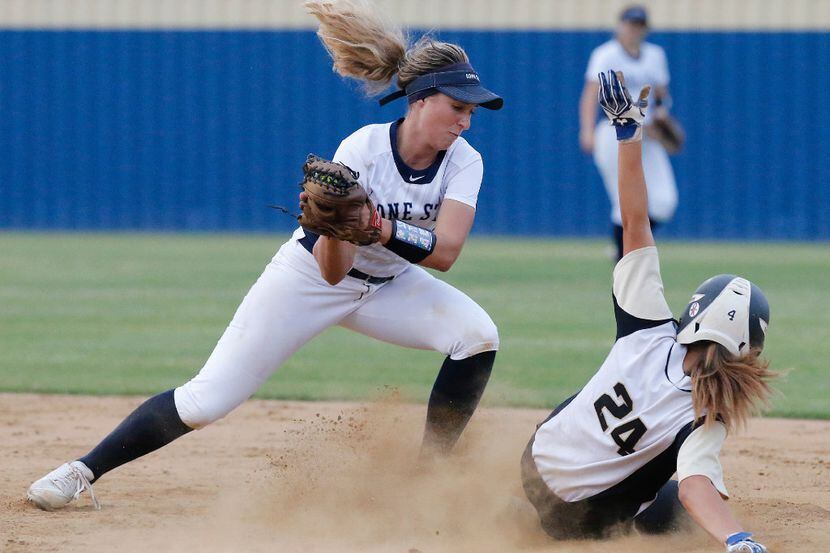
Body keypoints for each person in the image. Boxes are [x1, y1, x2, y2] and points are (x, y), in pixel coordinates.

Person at [27, 0, 503, 511]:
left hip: (391, 285)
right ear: (420, 99)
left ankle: (429, 479)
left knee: (476, 336)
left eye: (470, 110)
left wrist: (378, 227)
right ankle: (82, 470)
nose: (465, 121)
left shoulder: (463, 162)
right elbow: (330, 271)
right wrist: (341, 225)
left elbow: (447, 252)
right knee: (206, 401)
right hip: (310, 278)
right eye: (458, 106)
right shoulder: (362, 150)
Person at [522, 70, 774, 553]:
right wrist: (737, 538)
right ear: (747, 348)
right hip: (578, 520)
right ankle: (550, 526)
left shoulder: (646, 329)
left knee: (594, 402)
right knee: (673, 501)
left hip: (532, 461)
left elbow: (634, 221)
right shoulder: (706, 413)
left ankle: (521, 510)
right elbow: (696, 485)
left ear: (694, 314)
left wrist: (627, 134)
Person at [579, 5, 679, 261]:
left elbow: (661, 96)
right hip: (614, 130)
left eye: (639, 25)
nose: (634, 30)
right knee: (624, 198)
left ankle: (627, 248)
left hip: (647, 132)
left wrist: (663, 117)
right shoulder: (606, 54)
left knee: (664, 200)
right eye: (630, 24)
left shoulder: (655, 55)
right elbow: (591, 94)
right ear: (620, 26)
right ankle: (624, 258)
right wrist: (587, 130)